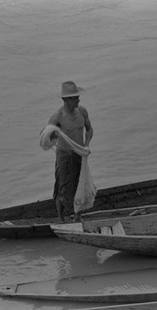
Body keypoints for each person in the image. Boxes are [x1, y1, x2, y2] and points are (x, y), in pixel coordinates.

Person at [47, 81, 93, 223]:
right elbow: (48, 138)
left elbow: (89, 129)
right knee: (62, 186)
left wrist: (86, 145)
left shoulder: (82, 111)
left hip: (79, 153)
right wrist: (53, 137)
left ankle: (77, 215)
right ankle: (61, 219)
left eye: (78, 97)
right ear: (66, 99)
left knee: (80, 184)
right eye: (75, 97)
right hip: (64, 154)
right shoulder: (57, 117)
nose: (78, 100)